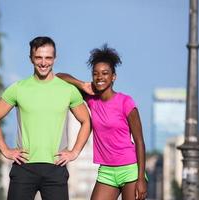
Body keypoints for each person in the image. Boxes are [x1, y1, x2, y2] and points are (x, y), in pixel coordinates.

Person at [0, 36, 91, 200]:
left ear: (54, 59)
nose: (43, 63)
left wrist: (75, 152)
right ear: (31, 59)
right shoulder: (18, 89)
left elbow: (86, 121)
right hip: (24, 168)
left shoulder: (68, 90)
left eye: (48, 57)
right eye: (38, 57)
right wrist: (5, 150)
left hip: (56, 169)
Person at [56, 44, 147, 200]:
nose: (100, 77)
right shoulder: (91, 99)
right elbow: (59, 77)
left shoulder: (126, 102)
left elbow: (139, 141)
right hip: (106, 171)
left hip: (130, 169)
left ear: (113, 77)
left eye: (105, 73)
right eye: (95, 73)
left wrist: (140, 179)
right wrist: (81, 84)